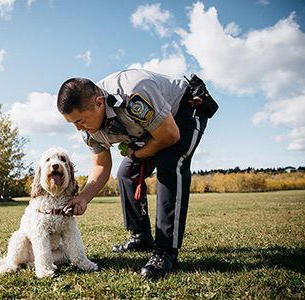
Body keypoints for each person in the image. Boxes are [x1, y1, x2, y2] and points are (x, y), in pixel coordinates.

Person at [57, 69, 214, 278]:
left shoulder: (133, 94)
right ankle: (141, 237)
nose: (78, 129)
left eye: (80, 121)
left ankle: (166, 251)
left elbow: (169, 136)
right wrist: (84, 197)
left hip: (183, 110)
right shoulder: (88, 129)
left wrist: (136, 152)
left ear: (98, 103)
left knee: (170, 163)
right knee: (126, 173)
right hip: (152, 128)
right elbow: (101, 165)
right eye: (73, 123)